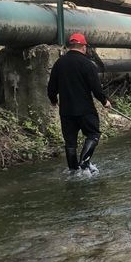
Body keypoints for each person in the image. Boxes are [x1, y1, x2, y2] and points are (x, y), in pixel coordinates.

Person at [47, 32, 111, 174]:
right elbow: (95, 87)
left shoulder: (59, 63)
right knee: (93, 133)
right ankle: (84, 163)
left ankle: (73, 170)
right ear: (83, 47)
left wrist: (53, 99)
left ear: (71, 46)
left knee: (70, 142)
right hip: (84, 108)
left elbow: (52, 86)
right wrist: (104, 100)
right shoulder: (87, 64)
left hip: (66, 110)